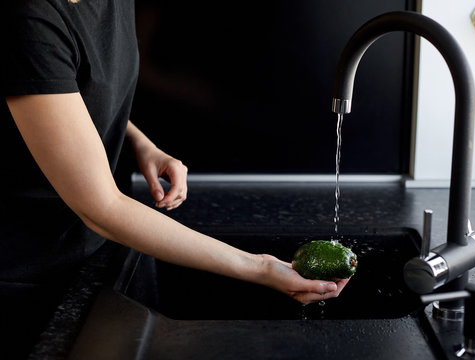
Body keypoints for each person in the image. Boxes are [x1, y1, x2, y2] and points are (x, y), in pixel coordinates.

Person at [0, 1, 349, 358]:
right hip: (26, 279)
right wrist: (260, 267)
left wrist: (140, 142)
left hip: (84, 254)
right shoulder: (27, 18)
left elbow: (67, 93)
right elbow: (100, 207)